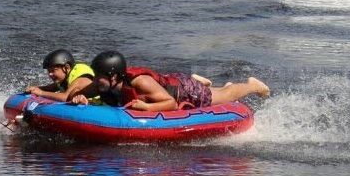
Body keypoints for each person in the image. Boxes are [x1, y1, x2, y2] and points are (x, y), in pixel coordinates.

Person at [70, 51, 270, 112]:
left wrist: (146, 108)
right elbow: (70, 96)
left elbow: (171, 104)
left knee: (224, 96)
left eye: (100, 76)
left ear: (114, 77)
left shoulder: (140, 84)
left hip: (183, 91)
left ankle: (253, 85)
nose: (96, 80)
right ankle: (204, 83)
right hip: (167, 83)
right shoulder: (102, 83)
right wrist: (80, 98)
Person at [25, 49, 96, 102]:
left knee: (72, 92)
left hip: (97, 107)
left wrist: (41, 93)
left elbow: (64, 97)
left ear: (66, 68)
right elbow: (52, 88)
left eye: (53, 71)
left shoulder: (82, 79)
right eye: (49, 71)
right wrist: (35, 89)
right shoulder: (65, 78)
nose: (50, 74)